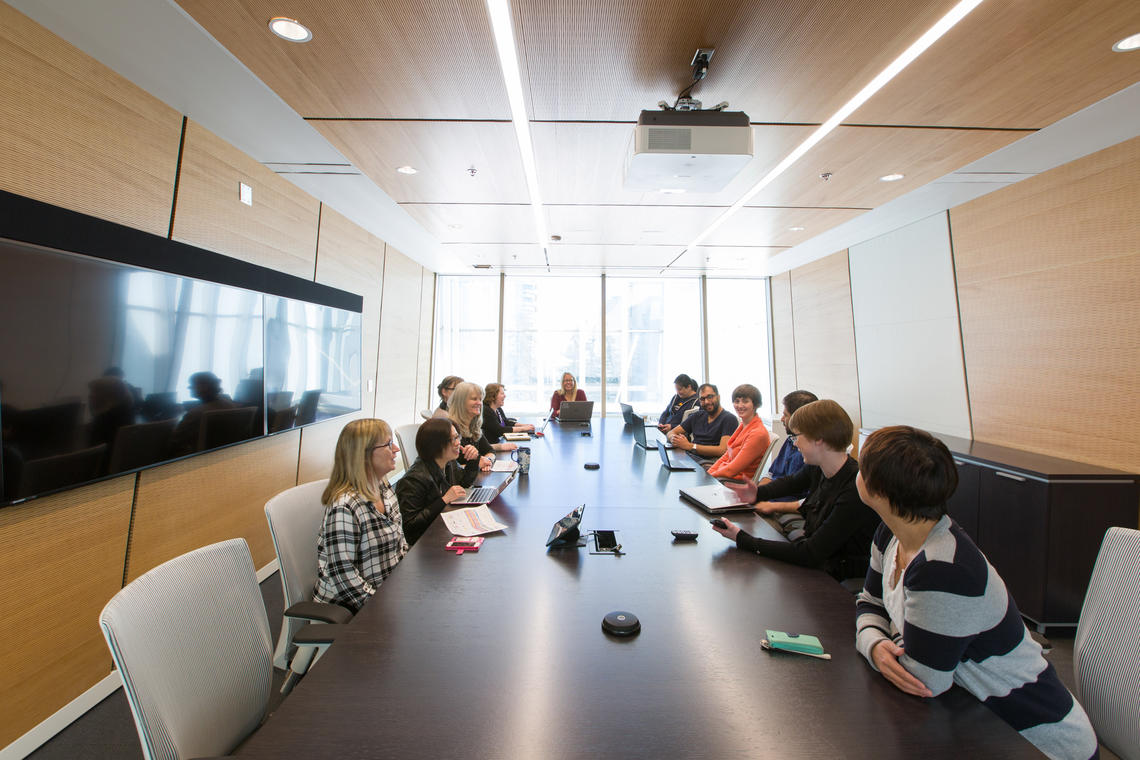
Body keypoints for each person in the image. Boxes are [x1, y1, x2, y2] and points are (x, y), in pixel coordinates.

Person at [853, 426, 1097, 759]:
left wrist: (883, 642)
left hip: (1032, 738)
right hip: (973, 721)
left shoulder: (943, 567)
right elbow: (870, 603)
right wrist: (876, 643)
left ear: (879, 490)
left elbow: (923, 678)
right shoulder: (890, 534)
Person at [711, 399, 879, 582]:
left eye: (797, 437)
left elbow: (810, 553)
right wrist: (757, 493)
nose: (796, 444)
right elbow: (791, 482)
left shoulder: (853, 490)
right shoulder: (820, 468)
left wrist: (742, 539)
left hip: (838, 578)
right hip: (822, 566)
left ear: (818, 439)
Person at [313, 418, 409, 614]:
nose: (396, 449)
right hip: (353, 611)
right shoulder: (344, 507)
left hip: (389, 593)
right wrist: (385, 608)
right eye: (388, 443)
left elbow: (401, 545)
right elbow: (345, 580)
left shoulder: (383, 487)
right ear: (363, 455)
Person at [395, 418, 481, 546]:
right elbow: (410, 527)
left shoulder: (448, 462)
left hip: (444, 529)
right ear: (435, 444)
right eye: (453, 439)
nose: (458, 443)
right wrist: (443, 500)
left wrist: (474, 460)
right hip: (425, 545)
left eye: (458, 437)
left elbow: (463, 483)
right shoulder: (413, 480)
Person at [757, 389, 818, 501]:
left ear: (798, 418)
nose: (781, 419)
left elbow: (803, 498)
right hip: (771, 497)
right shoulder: (791, 439)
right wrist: (756, 494)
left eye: (785, 415)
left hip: (784, 505)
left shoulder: (812, 454)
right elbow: (772, 475)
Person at [706, 384, 771, 481]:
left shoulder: (758, 433)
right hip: (723, 476)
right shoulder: (744, 425)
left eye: (745, 401)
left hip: (733, 482)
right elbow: (727, 456)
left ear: (756, 404)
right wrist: (708, 474)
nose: (740, 406)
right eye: (737, 401)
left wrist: (708, 478)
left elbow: (732, 470)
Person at [664, 383, 738, 464]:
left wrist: (690, 446)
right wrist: (674, 439)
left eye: (710, 397)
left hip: (709, 463)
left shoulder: (729, 419)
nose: (706, 402)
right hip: (691, 457)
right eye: (702, 399)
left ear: (718, 397)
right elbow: (671, 432)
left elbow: (722, 450)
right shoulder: (697, 416)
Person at [168, 371, 237, 456]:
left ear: (205, 387)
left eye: (192, 384)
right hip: (225, 453)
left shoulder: (196, 413)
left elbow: (174, 441)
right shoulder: (230, 404)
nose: (189, 387)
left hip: (197, 457)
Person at [447, 381, 501, 469]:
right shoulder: (450, 429)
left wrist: (487, 460)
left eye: (480, 399)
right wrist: (475, 466)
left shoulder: (473, 427)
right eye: (474, 399)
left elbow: (490, 451)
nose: (479, 403)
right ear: (461, 403)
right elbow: (447, 470)